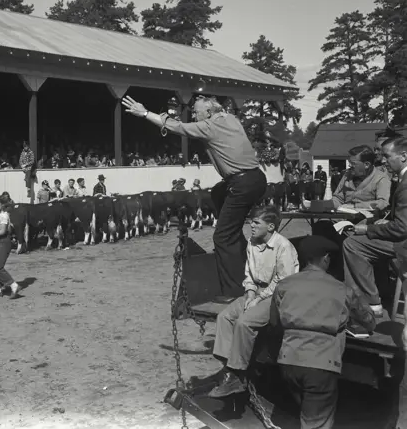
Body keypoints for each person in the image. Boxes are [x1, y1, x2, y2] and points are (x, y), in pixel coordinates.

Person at [123, 94, 267, 297]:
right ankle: (240, 251)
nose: (193, 115)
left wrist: (145, 113)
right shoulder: (231, 119)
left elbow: (178, 128)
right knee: (218, 193)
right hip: (256, 179)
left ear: (208, 112)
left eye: (196, 112)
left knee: (222, 237)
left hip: (241, 183)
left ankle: (237, 291)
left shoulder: (209, 126)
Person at [271, 235, 376, 429]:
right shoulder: (341, 288)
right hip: (321, 365)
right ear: (326, 258)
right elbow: (369, 321)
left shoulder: (284, 285)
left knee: (306, 410)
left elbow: (274, 323)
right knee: (316, 422)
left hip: (288, 362)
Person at [208, 205, 299, 398]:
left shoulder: (283, 247)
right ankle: (229, 369)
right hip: (256, 292)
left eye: (256, 222)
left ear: (271, 226)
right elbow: (249, 272)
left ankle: (237, 373)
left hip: (278, 296)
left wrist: (258, 298)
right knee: (224, 317)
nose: (251, 225)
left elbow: (283, 281)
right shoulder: (252, 242)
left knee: (244, 322)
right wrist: (249, 293)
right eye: (251, 221)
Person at [343, 136, 407, 318]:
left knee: (353, 243)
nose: (383, 160)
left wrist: (368, 230)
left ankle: (369, 303)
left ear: (403, 156)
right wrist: (389, 222)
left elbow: (402, 229)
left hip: (404, 244)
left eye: (387, 156)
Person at [331, 145, 391, 212]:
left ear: (366, 164)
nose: (349, 165)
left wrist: (355, 206)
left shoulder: (381, 178)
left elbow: (382, 203)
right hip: (343, 216)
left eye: (353, 163)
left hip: (367, 219)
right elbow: (337, 197)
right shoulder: (347, 175)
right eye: (349, 162)